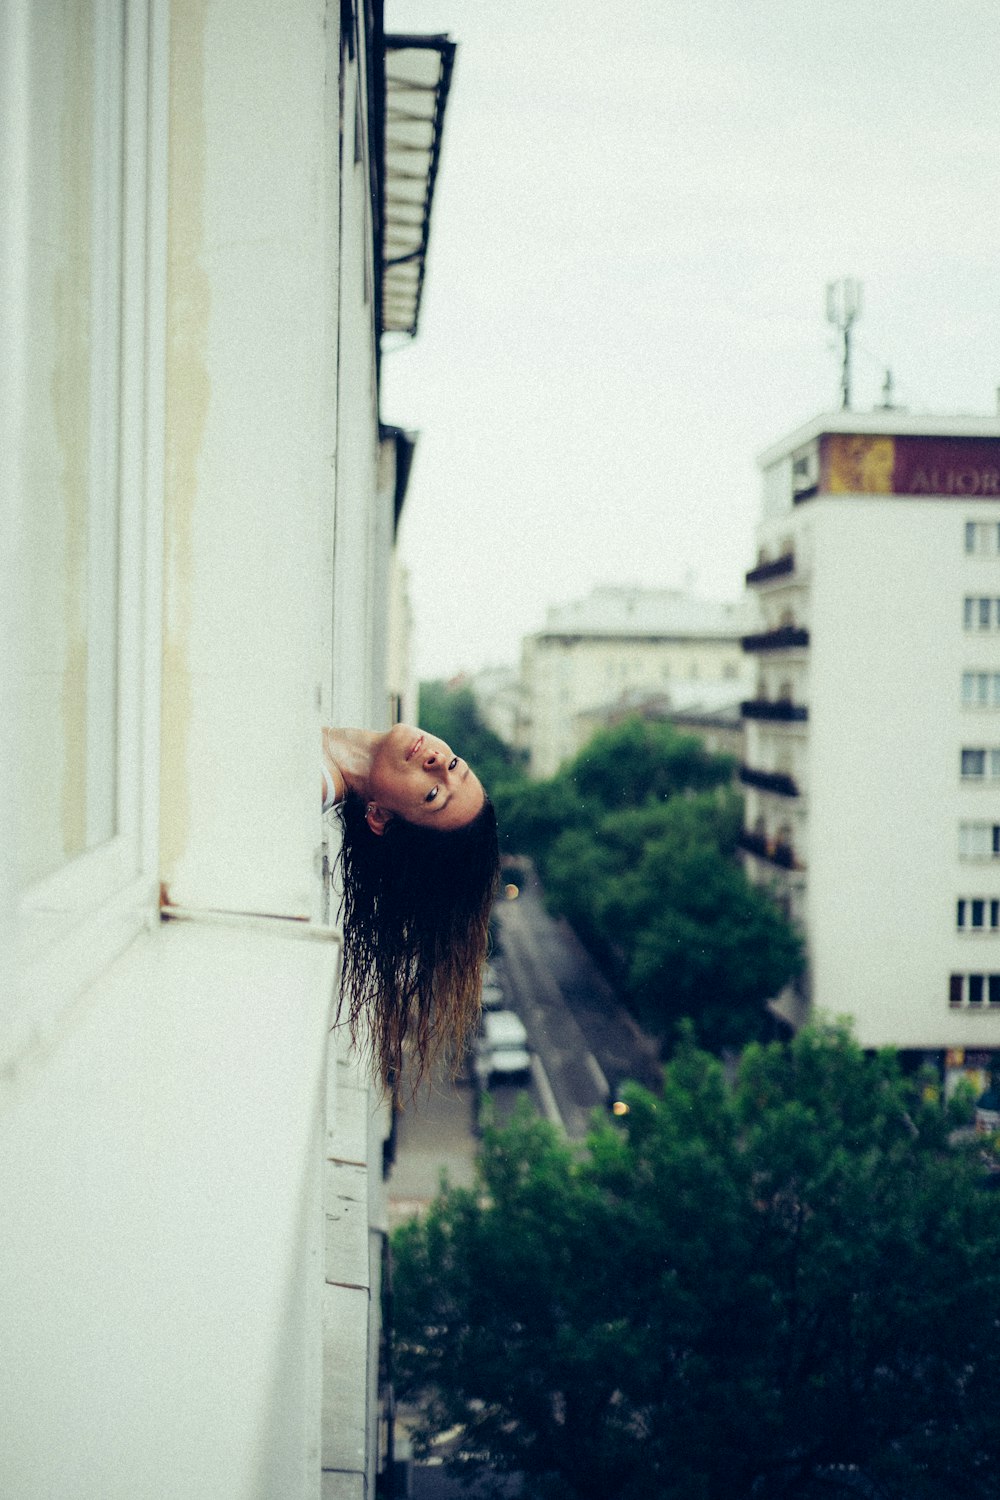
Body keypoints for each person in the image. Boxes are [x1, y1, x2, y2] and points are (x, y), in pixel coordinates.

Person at [322, 725, 500, 1093]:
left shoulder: (308, 782)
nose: (437, 763)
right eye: (454, 765)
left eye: (433, 794)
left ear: (380, 819)